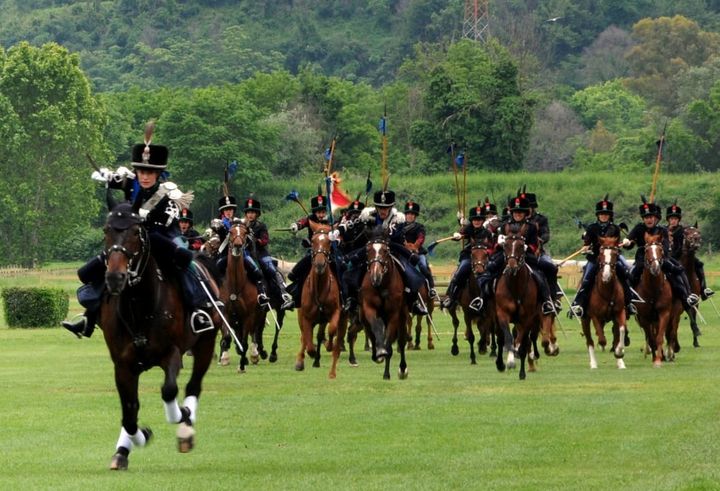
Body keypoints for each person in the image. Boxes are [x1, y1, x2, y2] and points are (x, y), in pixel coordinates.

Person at [62, 133, 218, 337]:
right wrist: (107, 176)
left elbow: (165, 224)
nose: (144, 176)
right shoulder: (131, 183)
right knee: (100, 269)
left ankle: (198, 311)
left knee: (182, 265)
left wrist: (143, 217)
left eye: (149, 173)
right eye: (141, 171)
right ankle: (88, 318)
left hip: (161, 240)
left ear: (158, 174)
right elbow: (116, 182)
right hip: (131, 241)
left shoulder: (169, 195)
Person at [342, 189, 427, 315]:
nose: (383, 210)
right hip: (372, 251)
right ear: (376, 207)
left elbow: (394, 236)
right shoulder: (368, 217)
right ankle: (352, 298)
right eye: (380, 207)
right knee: (353, 267)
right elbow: (352, 228)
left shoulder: (398, 219)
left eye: (386, 207)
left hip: (393, 250)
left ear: (391, 207)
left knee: (409, 271)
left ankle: (413, 302)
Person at [474, 195, 556, 315]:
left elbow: (534, 244)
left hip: (526, 256)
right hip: (506, 255)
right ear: (512, 213)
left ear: (525, 213)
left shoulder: (531, 227)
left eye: (520, 212)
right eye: (516, 212)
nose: (518, 214)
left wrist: (528, 247)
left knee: (541, 273)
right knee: (490, 270)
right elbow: (496, 244)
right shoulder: (504, 226)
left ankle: (548, 301)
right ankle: (481, 298)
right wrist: (500, 243)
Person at [621, 199, 699, 310]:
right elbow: (629, 241)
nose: (649, 220)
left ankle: (687, 297)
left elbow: (666, 246)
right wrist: (626, 242)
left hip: (661, 258)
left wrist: (660, 255)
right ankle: (629, 303)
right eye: (646, 217)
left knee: (678, 271)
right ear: (643, 219)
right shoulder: (639, 228)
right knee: (631, 275)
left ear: (655, 218)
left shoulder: (661, 230)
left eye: (651, 217)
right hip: (642, 259)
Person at [569, 196, 637, 318]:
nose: (603, 216)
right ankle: (578, 304)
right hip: (595, 259)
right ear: (598, 215)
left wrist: (626, 244)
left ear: (609, 215)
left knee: (625, 273)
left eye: (606, 214)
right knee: (587, 278)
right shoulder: (591, 228)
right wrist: (586, 247)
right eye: (601, 214)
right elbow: (587, 243)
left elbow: (616, 244)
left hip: (612, 259)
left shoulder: (615, 228)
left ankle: (629, 302)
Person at [209, 195, 271, 311]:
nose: (229, 212)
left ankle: (261, 294)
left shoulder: (240, 222)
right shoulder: (217, 223)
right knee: (213, 271)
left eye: (231, 209)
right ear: (223, 211)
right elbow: (214, 238)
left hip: (241, 254)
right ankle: (212, 297)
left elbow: (248, 237)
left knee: (256, 271)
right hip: (224, 255)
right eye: (226, 209)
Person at [241, 196, 294, 310]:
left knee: (271, 269)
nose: (250, 215)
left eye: (253, 212)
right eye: (248, 212)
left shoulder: (261, 226)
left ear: (257, 214)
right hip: (247, 254)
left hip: (261, 254)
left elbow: (265, 240)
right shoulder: (241, 226)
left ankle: (283, 293)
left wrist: (255, 239)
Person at [441, 202, 494, 311]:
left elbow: (491, 247)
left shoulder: (487, 233)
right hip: (468, 257)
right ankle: (451, 297)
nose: (477, 221)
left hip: (483, 258)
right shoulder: (468, 229)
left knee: (493, 273)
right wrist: (457, 235)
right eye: (475, 219)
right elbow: (460, 234)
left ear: (483, 220)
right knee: (460, 272)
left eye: (479, 220)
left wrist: (485, 253)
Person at [286, 194, 334, 304]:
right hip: (313, 252)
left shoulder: (331, 221)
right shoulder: (310, 219)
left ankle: (345, 296)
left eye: (323, 212)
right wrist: (296, 226)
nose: (321, 215)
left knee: (340, 268)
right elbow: (301, 223)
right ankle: (296, 298)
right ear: (314, 212)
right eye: (318, 212)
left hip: (329, 252)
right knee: (300, 272)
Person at [666, 202, 714, 299]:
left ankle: (704, 289)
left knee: (699, 264)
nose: (673, 221)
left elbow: (691, 234)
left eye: (675, 219)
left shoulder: (683, 230)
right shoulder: (664, 230)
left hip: (681, 255)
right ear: (668, 220)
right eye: (671, 219)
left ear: (678, 220)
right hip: (667, 256)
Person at [524, 190, 562, 310]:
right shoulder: (515, 220)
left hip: (537, 253)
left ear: (532, 207)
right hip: (516, 254)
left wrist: (539, 240)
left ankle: (553, 296)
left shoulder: (541, 219)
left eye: (528, 207)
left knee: (550, 267)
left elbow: (546, 234)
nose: (525, 210)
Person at [402, 200, 436, 299]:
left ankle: (431, 288)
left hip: (417, 252)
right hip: (403, 252)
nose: (410, 216)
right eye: (408, 213)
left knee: (423, 265)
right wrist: (405, 246)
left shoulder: (419, 227)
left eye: (412, 214)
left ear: (415, 216)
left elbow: (421, 238)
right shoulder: (400, 226)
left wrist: (414, 246)